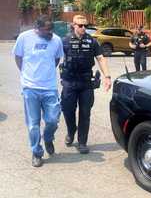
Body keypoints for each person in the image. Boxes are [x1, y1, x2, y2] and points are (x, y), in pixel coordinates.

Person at [12, 15, 64, 167]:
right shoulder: (24, 38)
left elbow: (56, 59)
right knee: (33, 124)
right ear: (37, 28)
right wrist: (26, 75)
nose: (50, 33)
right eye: (46, 30)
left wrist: (46, 73)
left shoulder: (56, 40)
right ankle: (37, 152)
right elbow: (18, 57)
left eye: (51, 29)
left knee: (53, 120)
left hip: (50, 88)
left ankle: (48, 138)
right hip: (30, 88)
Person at [60, 15, 111, 154]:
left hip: (86, 83)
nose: (83, 28)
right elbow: (54, 58)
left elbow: (100, 58)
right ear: (73, 25)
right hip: (69, 82)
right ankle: (71, 131)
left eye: (85, 26)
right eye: (80, 26)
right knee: (67, 110)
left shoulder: (92, 41)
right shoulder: (64, 41)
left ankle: (82, 142)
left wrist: (107, 76)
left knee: (85, 113)